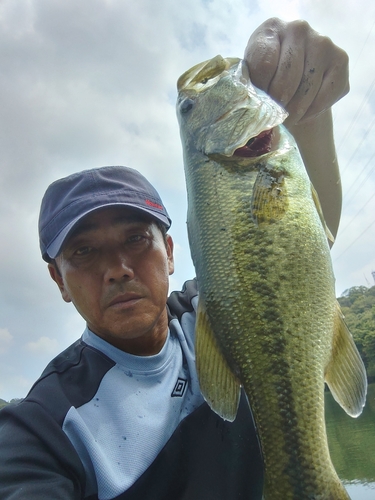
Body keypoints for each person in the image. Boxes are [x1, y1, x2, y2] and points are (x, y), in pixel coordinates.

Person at [0, 18, 348, 500]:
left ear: (168, 253)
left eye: (136, 240)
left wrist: (311, 114)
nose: (118, 268)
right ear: (58, 280)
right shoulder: (40, 430)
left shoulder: (220, 310)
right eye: (84, 252)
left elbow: (300, 254)